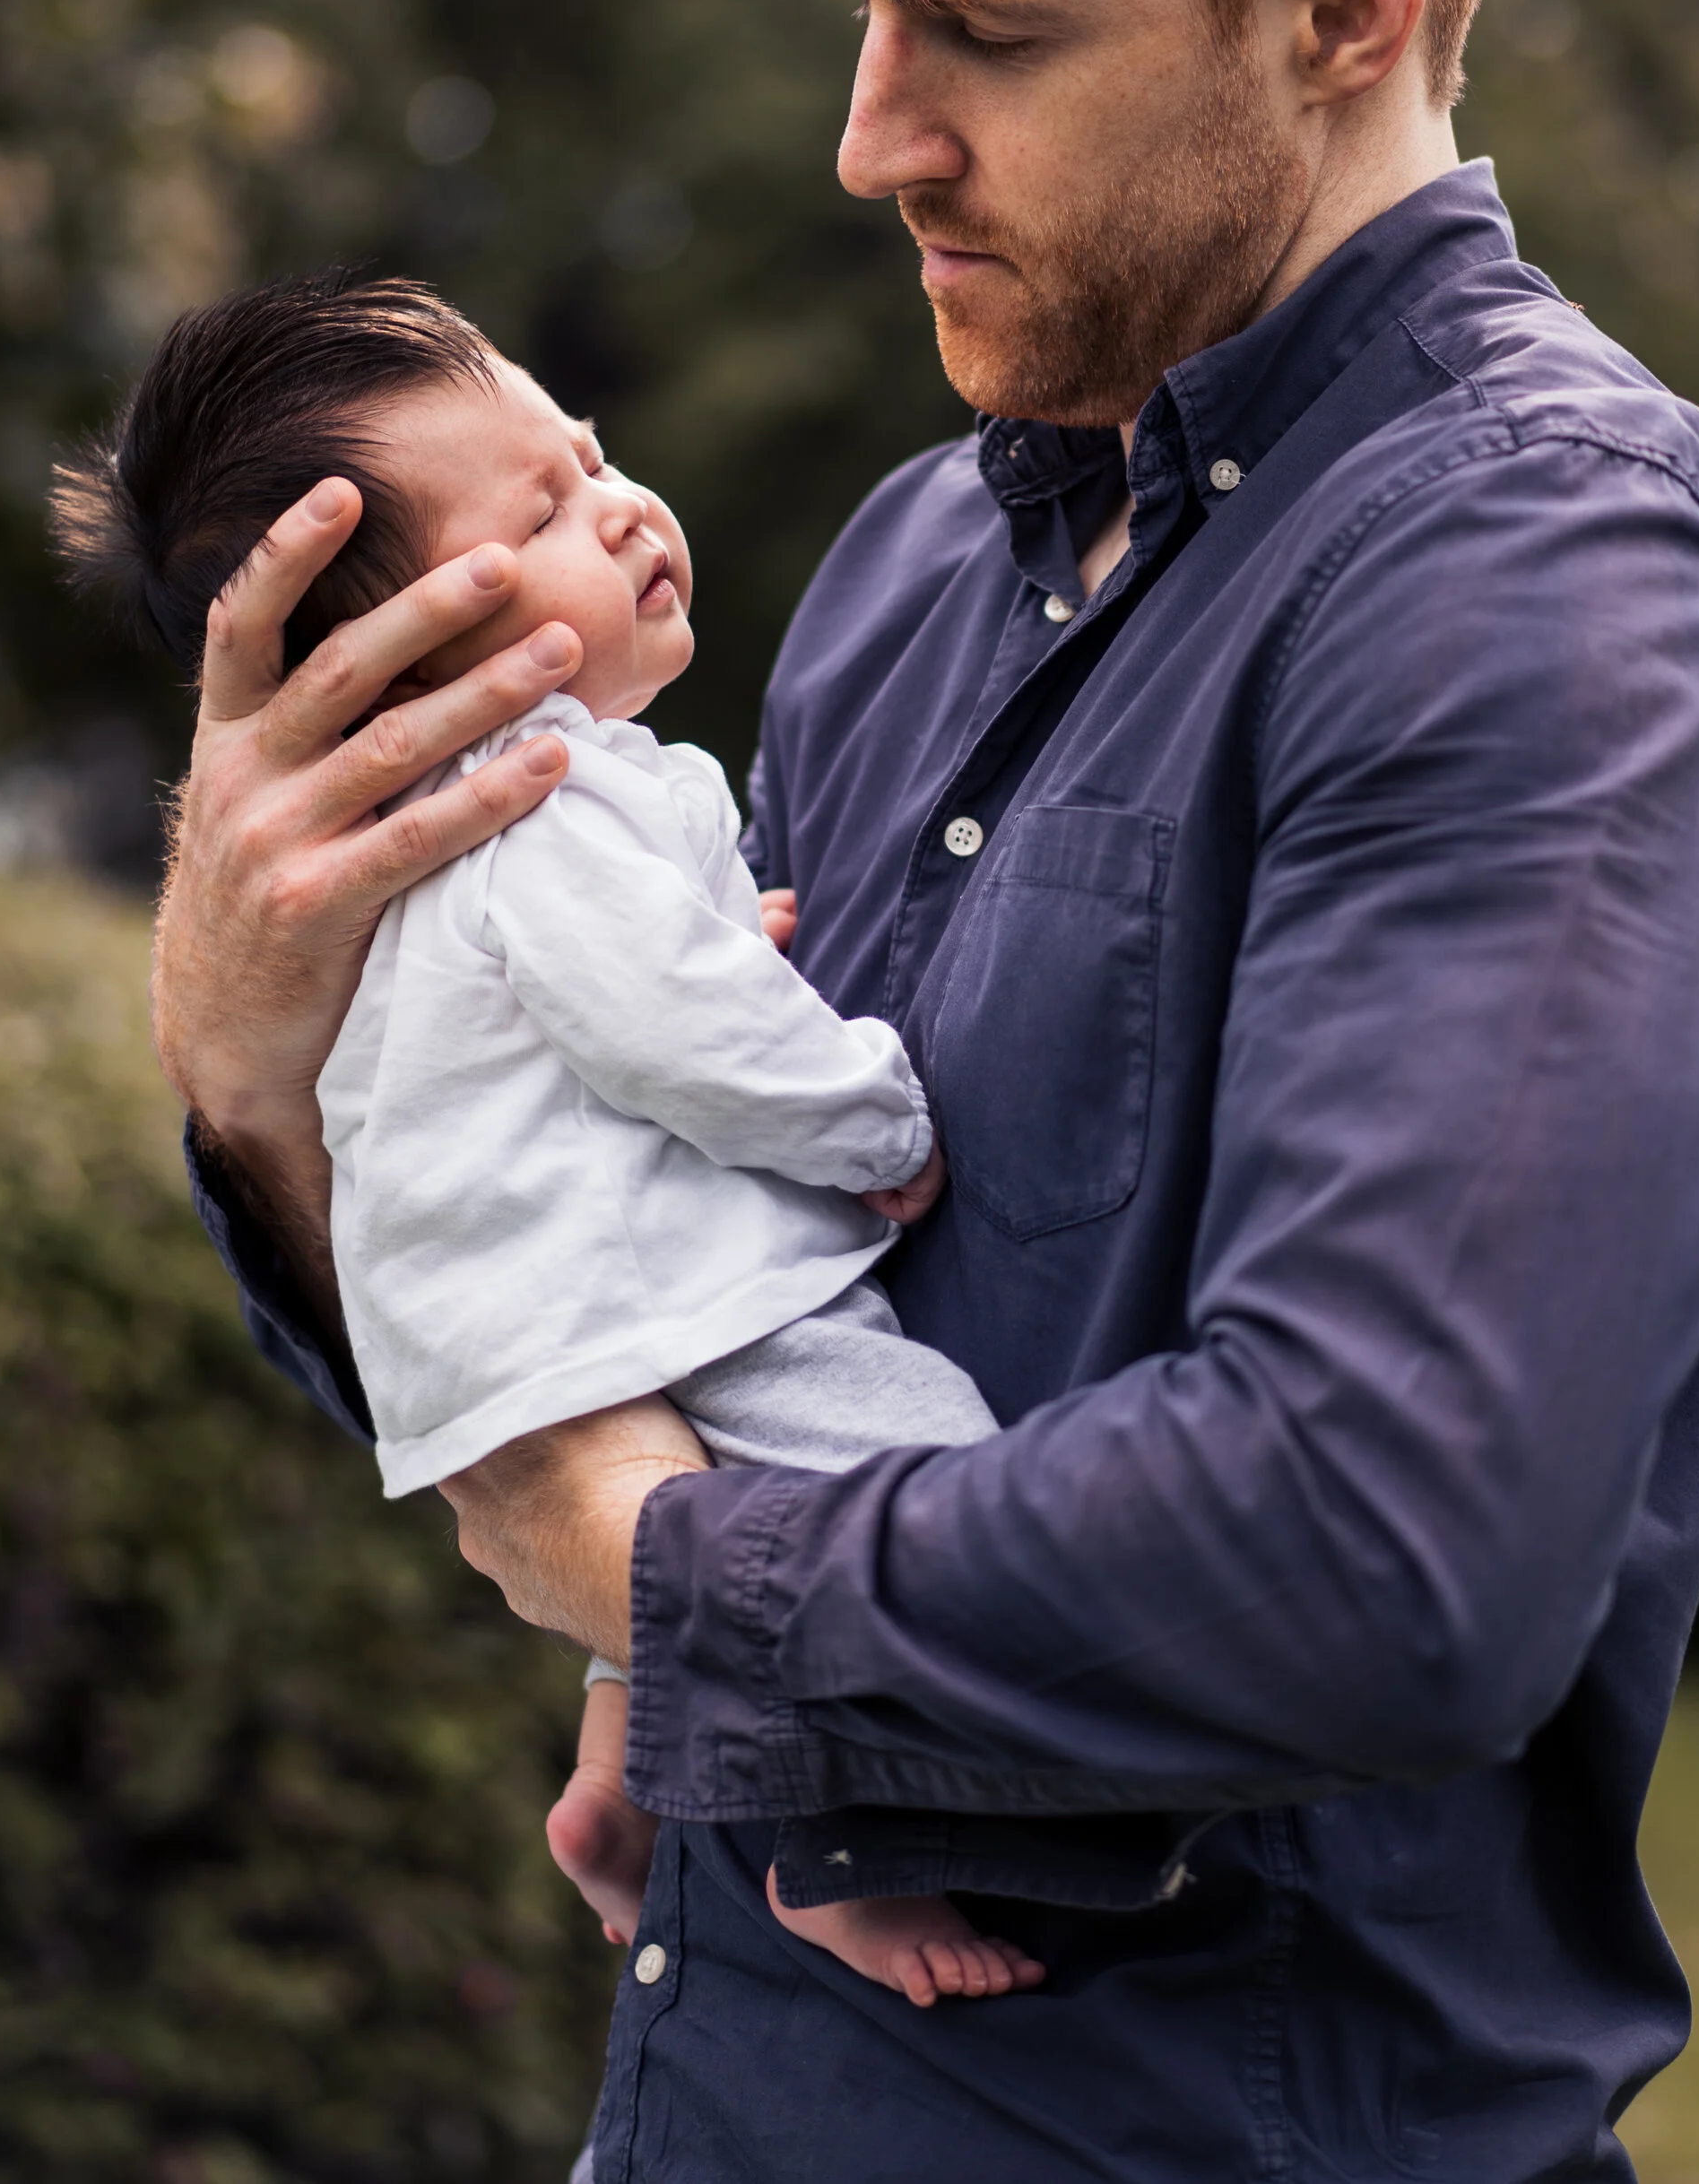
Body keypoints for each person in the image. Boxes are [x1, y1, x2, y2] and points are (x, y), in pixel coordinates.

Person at [151, 0, 1699, 2182]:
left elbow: (1375, 1543)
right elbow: (601, 1281)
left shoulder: (1548, 595)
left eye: (983, 28)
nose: (869, 137)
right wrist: (264, 1084)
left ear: (1341, 6)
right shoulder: (912, 564)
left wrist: (665, 1585)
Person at [50, 266, 1036, 2009]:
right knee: (916, 1453)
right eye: (550, 512)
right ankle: (825, 1854)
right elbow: (684, 1029)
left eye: (590, 455)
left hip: (557, 1325)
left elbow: (651, 1000)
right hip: (608, 1309)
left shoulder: (538, 811)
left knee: (706, 1496)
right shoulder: (540, 807)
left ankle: (624, 1767)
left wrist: (730, 955)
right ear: (405, 663)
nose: (622, 498)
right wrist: (865, 1111)